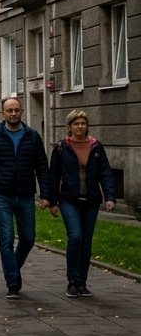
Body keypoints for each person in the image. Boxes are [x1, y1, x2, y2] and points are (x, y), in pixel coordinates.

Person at [0, 96, 50, 299]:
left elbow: (42, 167)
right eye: (9, 110)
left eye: (16, 110)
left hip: (26, 194)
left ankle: (13, 267)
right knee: (7, 238)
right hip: (2, 194)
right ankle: (13, 283)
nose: (13, 114)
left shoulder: (32, 136)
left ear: (21, 112)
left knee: (28, 238)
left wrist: (46, 195)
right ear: (3, 113)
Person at [46, 110, 117, 298]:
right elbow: (53, 175)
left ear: (87, 126)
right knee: (75, 237)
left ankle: (81, 282)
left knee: (86, 241)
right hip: (69, 199)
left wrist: (110, 197)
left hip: (91, 200)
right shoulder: (61, 148)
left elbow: (106, 173)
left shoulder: (96, 147)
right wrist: (53, 201)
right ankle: (72, 281)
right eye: (76, 123)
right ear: (69, 126)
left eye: (83, 123)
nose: (80, 126)